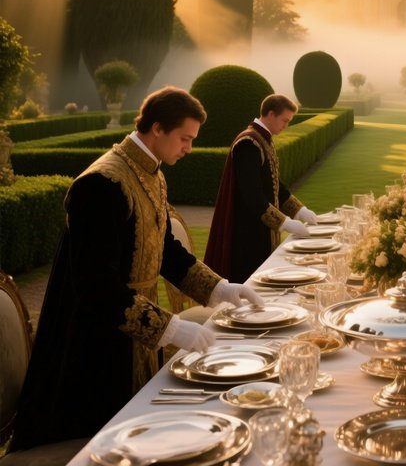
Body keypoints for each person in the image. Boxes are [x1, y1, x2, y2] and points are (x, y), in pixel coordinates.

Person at [9, 86, 262, 452]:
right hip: (95, 348)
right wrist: (171, 328)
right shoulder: (101, 183)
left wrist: (220, 288)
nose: (189, 148)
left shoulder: (150, 171)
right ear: (157, 128)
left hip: (133, 332)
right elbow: (94, 284)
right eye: (185, 138)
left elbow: (165, 249)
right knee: (121, 445)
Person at [204, 94, 318, 283]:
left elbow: (273, 184)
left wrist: (300, 210)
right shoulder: (249, 143)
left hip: (262, 230)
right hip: (248, 233)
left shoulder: (263, 139)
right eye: (285, 120)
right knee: (252, 283)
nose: (286, 125)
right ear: (271, 114)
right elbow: (253, 195)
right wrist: (285, 223)